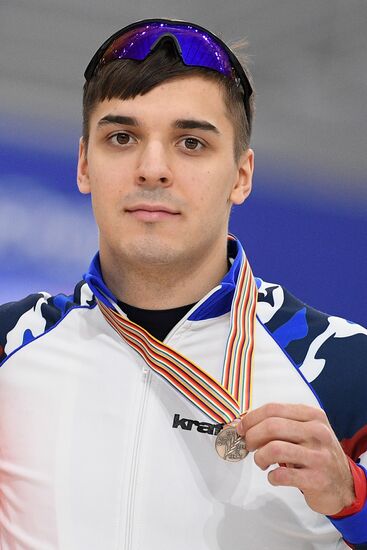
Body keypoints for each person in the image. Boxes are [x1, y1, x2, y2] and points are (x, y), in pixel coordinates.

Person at [0, 18, 366, 550]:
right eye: (121, 137)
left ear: (241, 175)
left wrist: (353, 499)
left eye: (191, 143)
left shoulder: (344, 368)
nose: (152, 168)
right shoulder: (10, 346)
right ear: (84, 164)